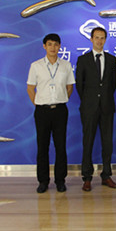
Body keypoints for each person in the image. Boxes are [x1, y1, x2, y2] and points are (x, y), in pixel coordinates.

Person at [27, 33, 75, 193]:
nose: (53, 47)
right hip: (42, 111)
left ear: (60, 46)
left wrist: (60, 99)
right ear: (44, 46)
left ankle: (60, 180)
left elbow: (70, 87)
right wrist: (39, 103)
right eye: (49, 44)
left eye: (56, 44)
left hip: (60, 110)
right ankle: (43, 181)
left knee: (61, 146)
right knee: (42, 146)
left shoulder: (66, 65)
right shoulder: (36, 66)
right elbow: (30, 88)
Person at [75, 27, 116, 192]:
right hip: (89, 108)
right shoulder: (83, 60)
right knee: (88, 142)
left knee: (107, 143)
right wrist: (90, 100)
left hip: (107, 107)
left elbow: (113, 84)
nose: (99, 41)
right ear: (91, 39)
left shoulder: (112, 60)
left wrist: (103, 98)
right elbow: (80, 85)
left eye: (102, 38)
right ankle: (87, 177)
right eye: (96, 37)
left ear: (105, 40)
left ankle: (106, 175)